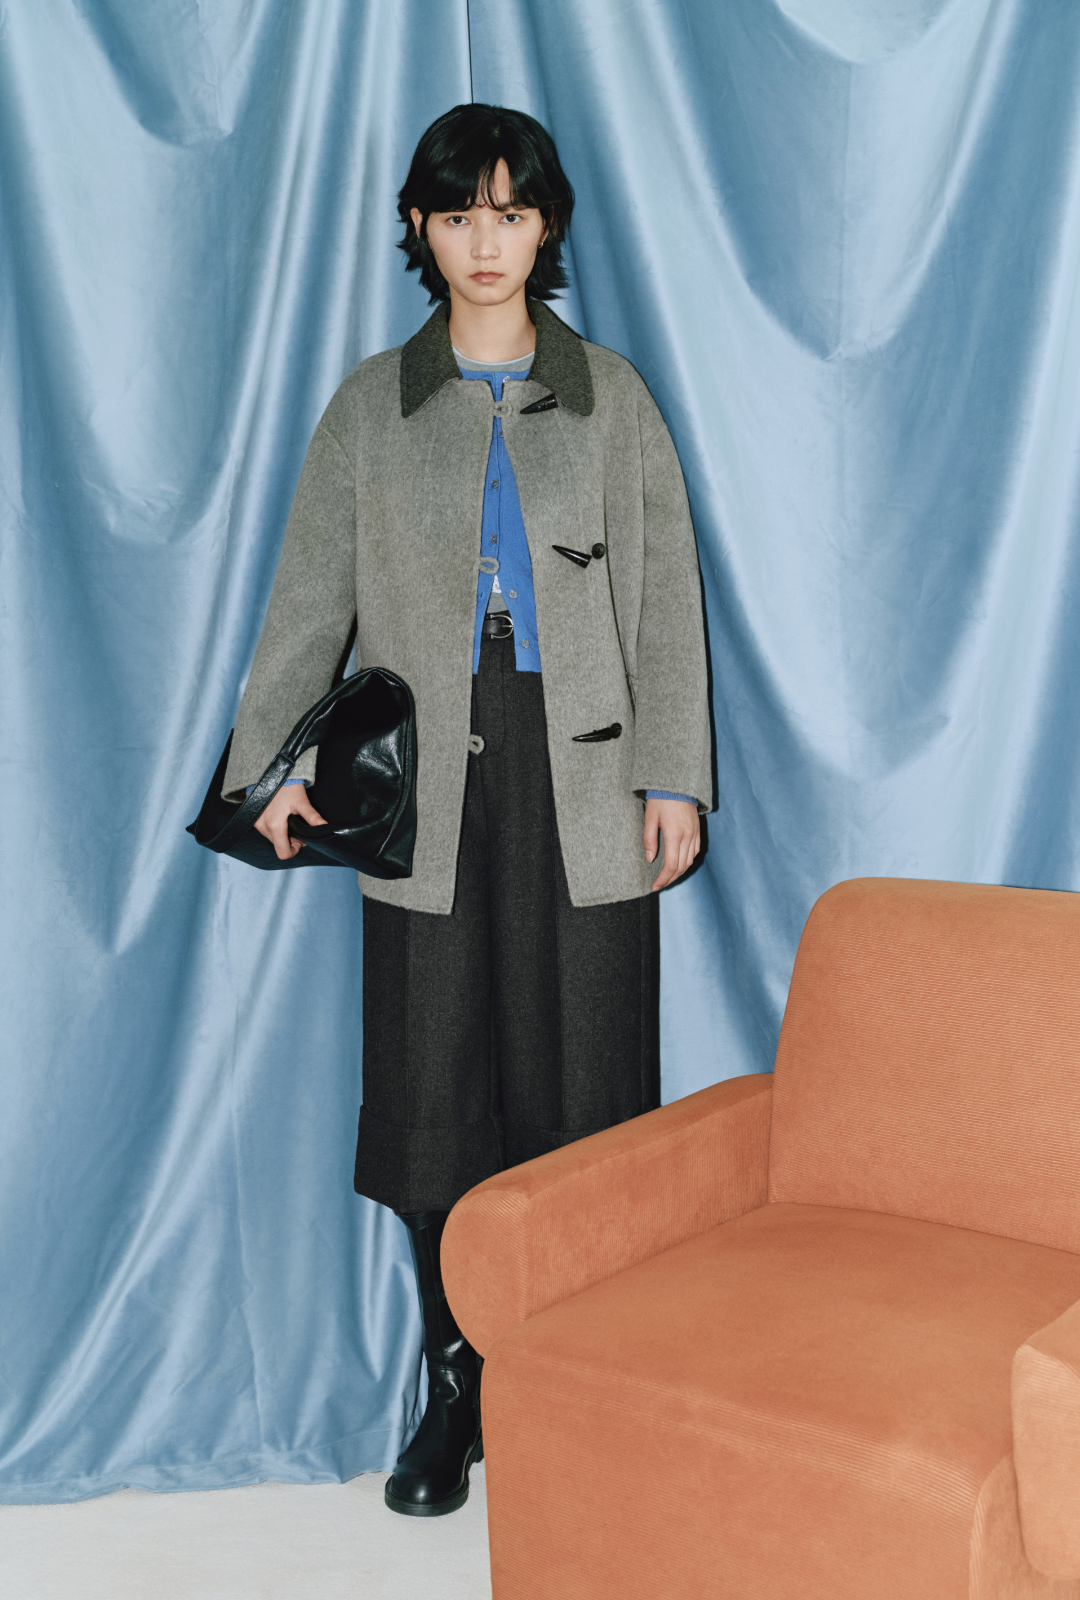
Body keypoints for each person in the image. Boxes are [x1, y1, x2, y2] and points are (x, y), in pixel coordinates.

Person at [221, 104, 712, 1517]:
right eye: (457, 215)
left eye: (509, 212)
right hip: (425, 781)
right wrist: (273, 767)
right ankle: (458, 1386)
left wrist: (672, 776)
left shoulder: (611, 395)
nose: (485, 242)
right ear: (419, 230)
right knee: (432, 1080)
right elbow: (311, 593)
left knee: (590, 1084)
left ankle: (580, 1387)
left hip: (587, 772)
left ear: (546, 226)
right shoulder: (373, 405)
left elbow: (663, 594)